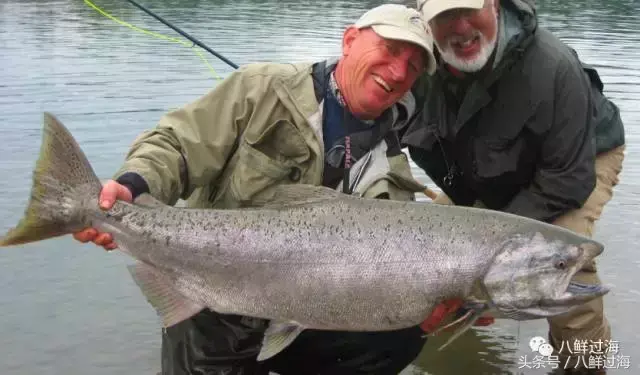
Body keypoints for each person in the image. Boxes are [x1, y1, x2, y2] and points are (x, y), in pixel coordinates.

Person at [71, 4, 475, 375]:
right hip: (212, 298)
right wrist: (130, 186)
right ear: (350, 39)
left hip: (309, 312)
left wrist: (429, 306)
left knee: (399, 337)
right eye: (389, 49)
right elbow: (177, 144)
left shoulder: (392, 168)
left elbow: (390, 274)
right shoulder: (261, 89)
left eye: (414, 66)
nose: (399, 71)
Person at [402, 0, 626, 374]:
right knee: (430, 253)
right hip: (487, 166)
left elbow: (567, 181)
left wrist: (492, 246)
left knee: (562, 260)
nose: (459, 27)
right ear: (426, 21)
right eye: (444, 15)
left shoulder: (554, 66)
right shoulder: (413, 61)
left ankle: (584, 366)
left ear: (494, 5)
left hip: (578, 160)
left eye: (468, 9)